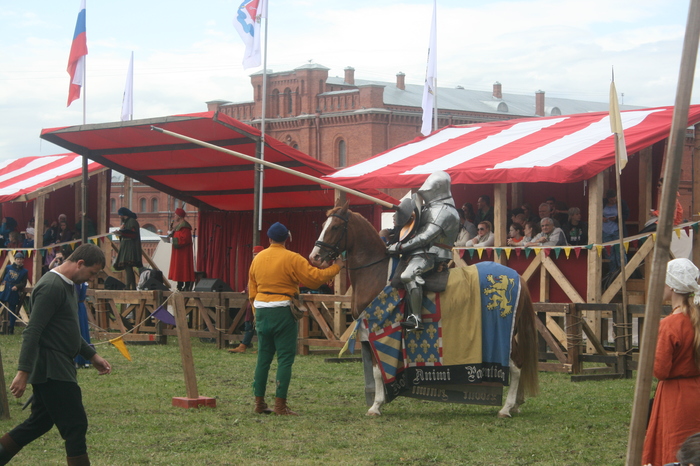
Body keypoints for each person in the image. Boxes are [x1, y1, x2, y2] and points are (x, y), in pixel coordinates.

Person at [0, 244, 111, 465]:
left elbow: (66, 328)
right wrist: (23, 372)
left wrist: (92, 355)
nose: (92, 278)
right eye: (92, 273)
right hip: (52, 368)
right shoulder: (51, 286)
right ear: (80, 263)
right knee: (75, 425)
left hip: (57, 366)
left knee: (40, 422)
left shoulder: (68, 284)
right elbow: (33, 331)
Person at [250, 222, 344, 416]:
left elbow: (252, 289)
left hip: (261, 309)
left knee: (263, 359)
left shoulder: (257, 259)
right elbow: (314, 279)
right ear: (287, 239)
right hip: (283, 310)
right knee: (285, 359)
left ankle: (259, 403)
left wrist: (255, 312)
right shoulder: (292, 258)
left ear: (269, 238)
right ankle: (280, 406)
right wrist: (337, 267)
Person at [642, 259, 700, 466]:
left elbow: (660, 370)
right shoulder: (696, 319)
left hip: (676, 397)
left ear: (672, 286)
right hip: (697, 390)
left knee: (675, 447)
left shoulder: (670, 324)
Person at [387, 171, 460, 331]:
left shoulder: (443, 210)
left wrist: (399, 247)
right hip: (421, 251)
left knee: (408, 275)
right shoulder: (430, 208)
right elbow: (413, 230)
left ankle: (416, 318)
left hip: (432, 253)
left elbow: (425, 237)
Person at [229, 245, 264, 354]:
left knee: (261, 325)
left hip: (262, 299)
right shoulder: (254, 266)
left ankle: (262, 348)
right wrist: (246, 289)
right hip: (253, 300)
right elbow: (251, 282)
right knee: (249, 323)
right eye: (254, 255)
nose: (255, 256)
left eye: (257, 254)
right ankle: (243, 345)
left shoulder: (265, 266)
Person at [113, 207, 143, 290]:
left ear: (123, 215)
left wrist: (121, 232)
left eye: (120, 215)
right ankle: (132, 286)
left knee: (128, 265)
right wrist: (121, 232)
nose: (119, 217)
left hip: (130, 246)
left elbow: (133, 234)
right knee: (128, 267)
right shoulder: (127, 222)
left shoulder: (132, 221)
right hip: (126, 245)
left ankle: (128, 286)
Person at [167, 207, 195, 291]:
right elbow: (177, 236)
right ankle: (179, 284)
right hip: (178, 251)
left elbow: (185, 239)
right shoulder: (178, 226)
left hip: (184, 252)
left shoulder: (185, 227)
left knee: (184, 267)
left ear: (179, 216)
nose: (174, 216)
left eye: (175, 215)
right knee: (178, 267)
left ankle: (186, 285)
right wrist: (171, 234)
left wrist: (173, 240)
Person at [0, 252, 28, 335]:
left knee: (12, 311)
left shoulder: (24, 271)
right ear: (15, 260)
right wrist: (3, 282)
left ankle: (11, 329)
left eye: (21, 259)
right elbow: (3, 277)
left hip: (13, 292)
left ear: (23, 260)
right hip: (5, 290)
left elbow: (24, 283)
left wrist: (17, 286)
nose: (19, 261)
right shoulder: (8, 267)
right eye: (18, 259)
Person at [602, 189, 629, 273]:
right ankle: (612, 272)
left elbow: (626, 215)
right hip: (605, 230)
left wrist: (616, 218)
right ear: (607, 199)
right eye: (611, 200)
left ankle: (623, 271)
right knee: (609, 253)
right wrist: (602, 218)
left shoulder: (621, 203)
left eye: (614, 199)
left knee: (620, 252)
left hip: (617, 230)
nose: (613, 201)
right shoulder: (602, 203)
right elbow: (596, 213)